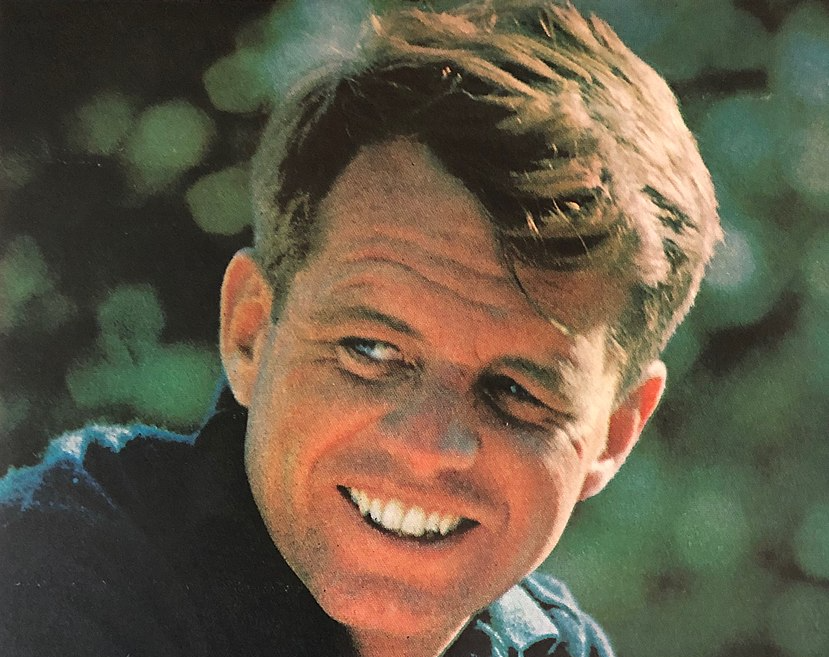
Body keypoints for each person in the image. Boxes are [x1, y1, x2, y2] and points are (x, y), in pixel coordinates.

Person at [0, 1, 720, 656]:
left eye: (516, 392)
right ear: (250, 332)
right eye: (371, 351)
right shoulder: (51, 577)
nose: (427, 444)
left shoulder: (560, 647)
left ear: (614, 433)